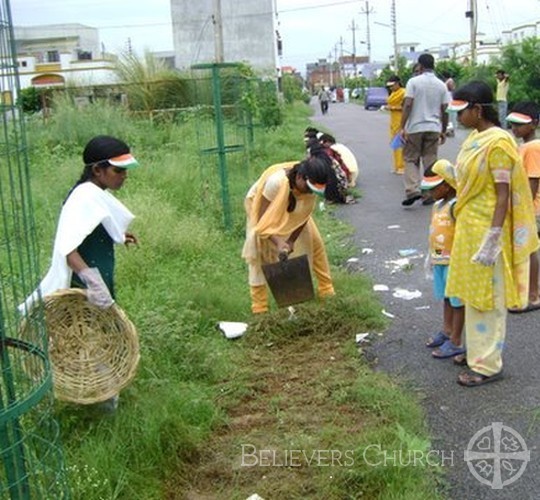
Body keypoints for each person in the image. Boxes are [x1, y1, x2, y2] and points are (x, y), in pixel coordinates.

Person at [20, 135, 140, 410]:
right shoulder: (83, 197)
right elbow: (68, 248)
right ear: (97, 170)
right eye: (118, 170)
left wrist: (120, 235)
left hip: (99, 278)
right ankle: (101, 399)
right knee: (91, 338)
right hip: (85, 283)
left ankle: (103, 395)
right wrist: (92, 281)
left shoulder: (94, 193)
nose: (124, 176)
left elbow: (96, 224)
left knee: (99, 335)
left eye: (125, 170)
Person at [445, 81, 539, 387]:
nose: (458, 118)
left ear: (478, 109)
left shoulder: (498, 143)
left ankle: (488, 365)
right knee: (472, 294)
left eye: (462, 111)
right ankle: (476, 350)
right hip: (470, 228)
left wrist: (494, 236)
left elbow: (503, 193)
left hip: (488, 232)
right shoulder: (475, 138)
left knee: (489, 298)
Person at [242, 157, 336, 314]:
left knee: (314, 241)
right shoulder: (276, 183)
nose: (310, 192)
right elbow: (260, 220)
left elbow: (303, 216)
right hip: (261, 206)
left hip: (290, 201)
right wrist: (278, 242)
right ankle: (260, 308)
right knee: (260, 253)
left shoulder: (309, 186)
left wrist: (291, 241)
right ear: (299, 177)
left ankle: (327, 290)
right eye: (309, 187)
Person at [421, 161, 465, 360]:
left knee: (457, 301)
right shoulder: (437, 206)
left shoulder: (456, 206)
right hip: (440, 261)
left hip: (455, 263)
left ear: (446, 185)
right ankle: (447, 331)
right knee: (446, 298)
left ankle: (456, 340)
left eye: (433, 189)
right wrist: (430, 256)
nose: (430, 193)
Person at [399, 53, 450, 206]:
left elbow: (408, 104)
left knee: (410, 158)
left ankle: (413, 189)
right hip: (434, 127)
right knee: (430, 159)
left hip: (415, 127)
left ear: (420, 66)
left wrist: (403, 126)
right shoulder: (441, 85)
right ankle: (429, 193)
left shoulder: (413, 82)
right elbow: (445, 109)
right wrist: (443, 129)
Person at [506, 101, 540, 312]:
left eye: (520, 124)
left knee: (529, 250)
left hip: (532, 208)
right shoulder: (524, 146)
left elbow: (533, 181)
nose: (515, 129)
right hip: (528, 208)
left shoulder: (532, 148)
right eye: (512, 124)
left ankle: (533, 294)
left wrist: (523, 209)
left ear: (534, 124)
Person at [385, 75, 406, 174]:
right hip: (393, 121)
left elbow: (405, 107)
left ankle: (402, 166)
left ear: (398, 83)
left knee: (400, 145)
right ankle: (397, 166)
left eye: (392, 85)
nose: (391, 88)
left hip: (400, 120)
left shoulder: (403, 92)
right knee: (395, 145)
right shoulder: (393, 93)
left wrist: (392, 108)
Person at [441, 71, 457, 137]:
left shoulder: (450, 81)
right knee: (449, 115)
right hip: (447, 97)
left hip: (449, 98)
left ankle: (450, 130)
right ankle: (449, 130)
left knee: (450, 115)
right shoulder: (448, 81)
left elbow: (452, 88)